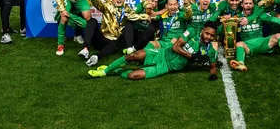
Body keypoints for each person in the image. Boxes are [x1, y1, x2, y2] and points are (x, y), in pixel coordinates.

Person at [88, 21, 219, 81]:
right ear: (203, 31)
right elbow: (175, 47)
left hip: (166, 67)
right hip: (163, 53)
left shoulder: (209, 51)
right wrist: (192, 56)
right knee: (134, 55)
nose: (209, 37)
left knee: (132, 76)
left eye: (212, 36)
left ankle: (117, 70)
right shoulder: (191, 32)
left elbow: (213, 66)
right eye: (207, 34)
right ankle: (104, 72)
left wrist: (213, 74)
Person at [230, 0, 280, 72]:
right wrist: (226, 20)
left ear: (253, 5)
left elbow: (275, 20)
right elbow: (225, 30)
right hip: (248, 46)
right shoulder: (237, 18)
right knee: (239, 44)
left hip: (263, 43)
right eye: (246, 3)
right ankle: (241, 64)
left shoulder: (259, 16)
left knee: (279, 35)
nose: (248, 5)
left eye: (250, 3)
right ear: (242, 5)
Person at [81, 0, 151, 67]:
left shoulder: (127, 9)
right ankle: (85, 49)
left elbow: (133, 16)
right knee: (92, 21)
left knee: (125, 29)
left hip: (115, 41)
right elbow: (99, 4)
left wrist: (144, 16)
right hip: (102, 38)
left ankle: (97, 56)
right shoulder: (108, 6)